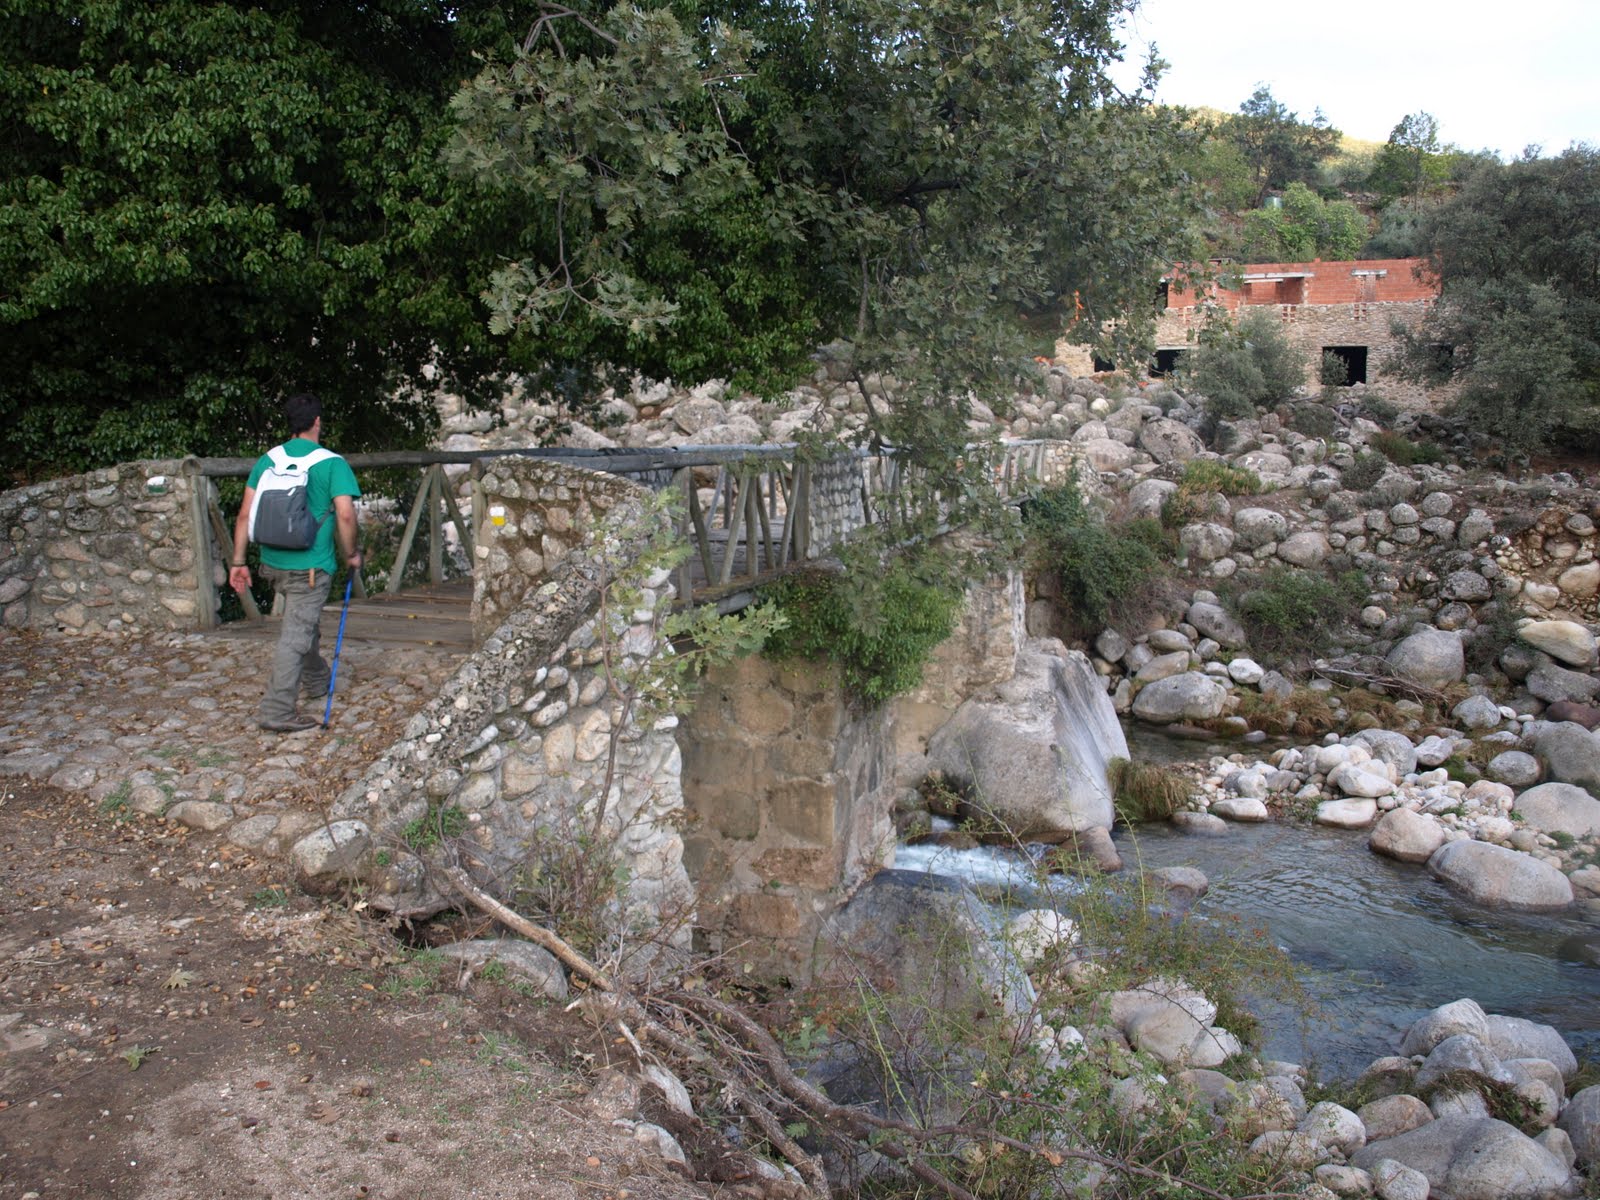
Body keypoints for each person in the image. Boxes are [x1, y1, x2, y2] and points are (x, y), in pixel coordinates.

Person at [229, 393, 363, 733]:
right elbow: (345, 514)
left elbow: (245, 514)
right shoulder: (331, 463)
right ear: (317, 421)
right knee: (295, 635)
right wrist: (351, 553)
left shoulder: (268, 460)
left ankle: (317, 680)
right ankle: (277, 710)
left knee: (303, 625)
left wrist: (238, 561)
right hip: (310, 567)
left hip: (272, 563)